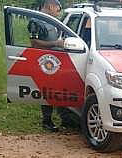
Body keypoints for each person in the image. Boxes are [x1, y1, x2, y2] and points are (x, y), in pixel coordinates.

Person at [28, 0, 77, 131]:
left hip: (55, 60)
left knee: (58, 89)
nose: (58, 12)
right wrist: (56, 43)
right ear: (50, 6)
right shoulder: (36, 21)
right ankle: (47, 121)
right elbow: (34, 43)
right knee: (47, 91)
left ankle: (65, 120)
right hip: (44, 61)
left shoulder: (51, 20)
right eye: (58, 9)